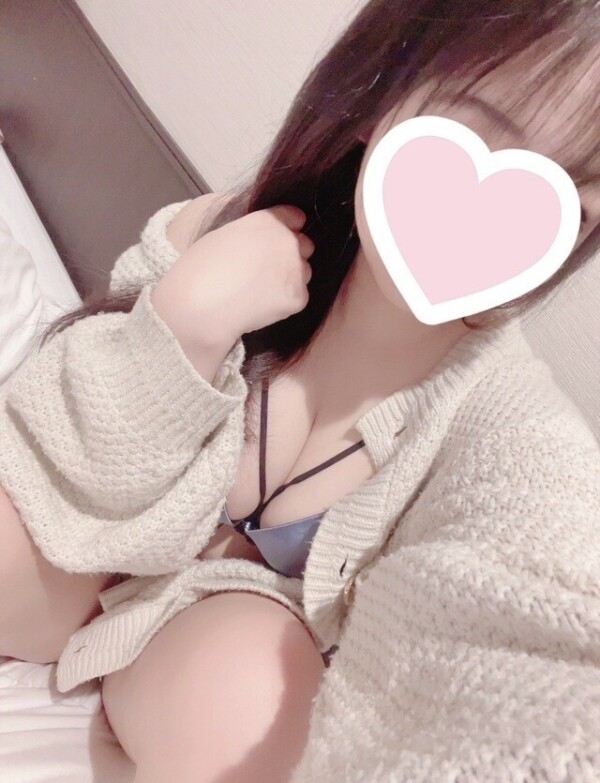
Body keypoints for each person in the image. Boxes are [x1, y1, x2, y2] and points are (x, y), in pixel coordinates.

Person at [1, 1, 600, 780]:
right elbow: (49, 450)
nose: (486, 215)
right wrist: (184, 327)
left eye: (566, 200)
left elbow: (550, 613)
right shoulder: (222, 229)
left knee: (257, 690)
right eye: (474, 131)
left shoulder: (505, 424)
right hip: (79, 549)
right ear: (386, 94)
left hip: (197, 654)